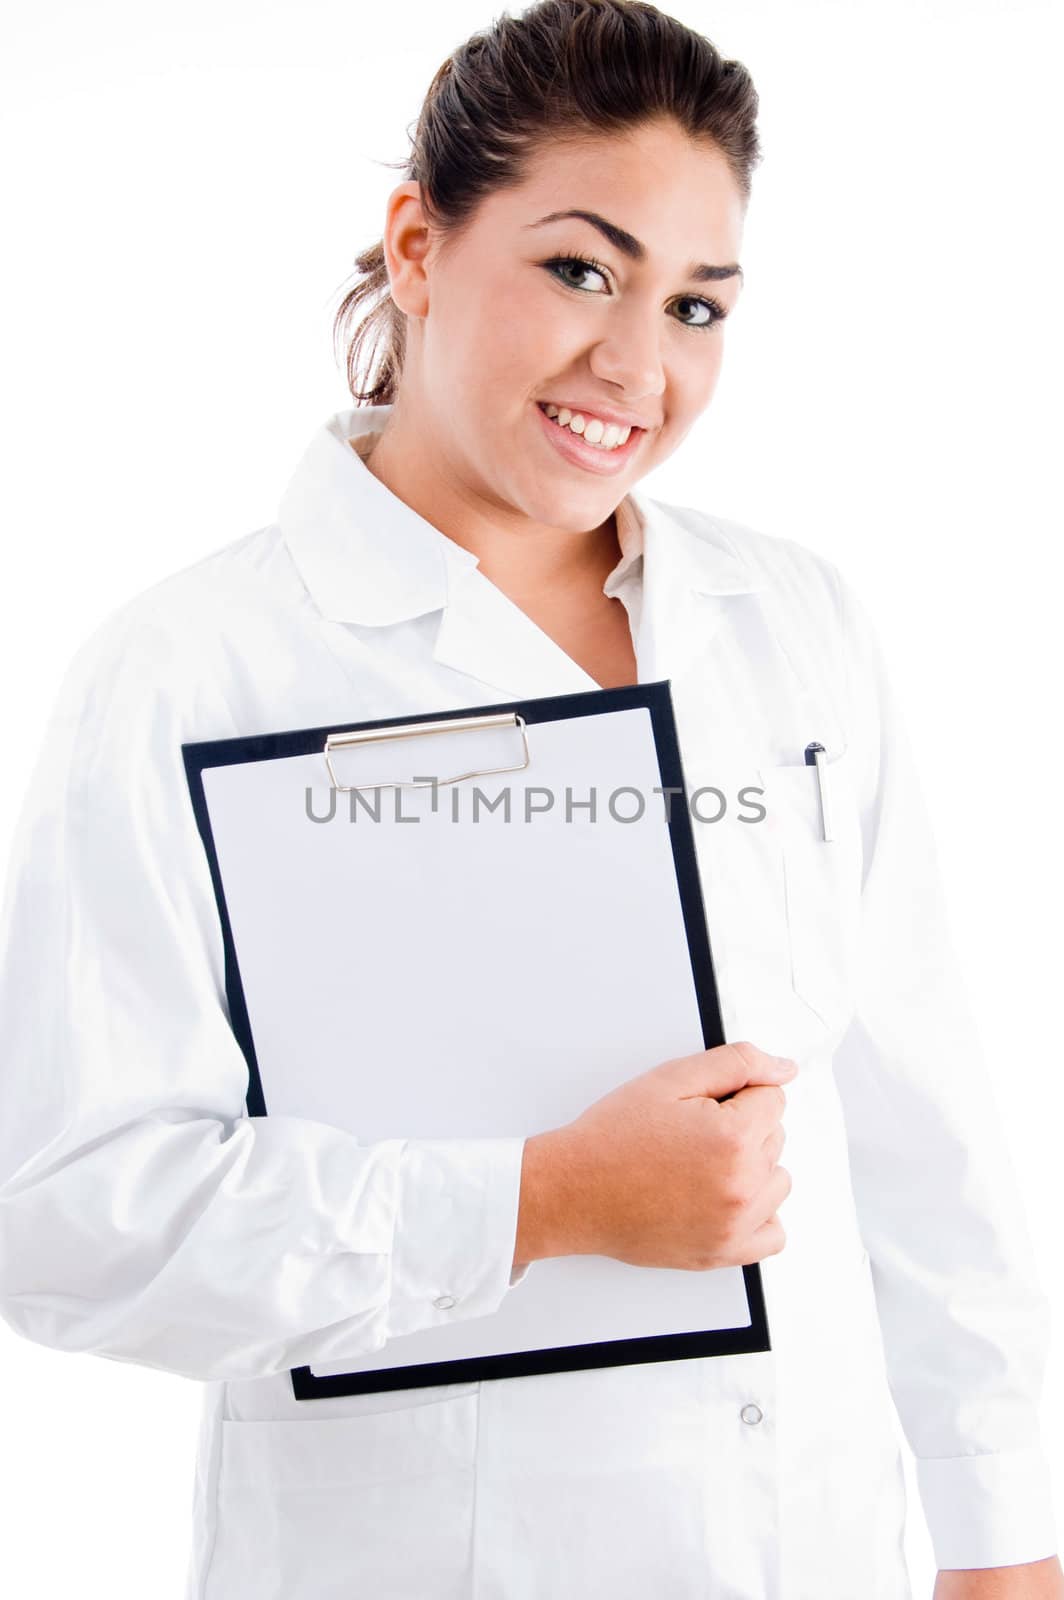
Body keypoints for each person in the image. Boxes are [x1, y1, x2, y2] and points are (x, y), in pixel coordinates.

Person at [0, 2, 1059, 1596]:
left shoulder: (792, 621)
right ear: (418, 243)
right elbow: (70, 1218)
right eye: (581, 268)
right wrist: (540, 1201)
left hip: (813, 1545)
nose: (637, 365)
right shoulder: (193, 671)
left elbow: (924, 1121)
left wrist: (1006, 1534)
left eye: (697, 304)